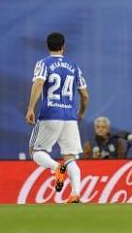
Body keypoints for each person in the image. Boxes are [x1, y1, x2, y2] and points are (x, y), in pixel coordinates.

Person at [25, 32, 88, 204]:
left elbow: (38, 83)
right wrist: (81, 113)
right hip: (70, 116)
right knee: (70, 157)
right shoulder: (74, 66)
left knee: (35, 151)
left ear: (48, 46)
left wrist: (30, 108)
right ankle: (76, 193)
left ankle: (55, 168)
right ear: (63, 46)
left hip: (50, 114)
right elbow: (85, 96)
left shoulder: (43, 64)